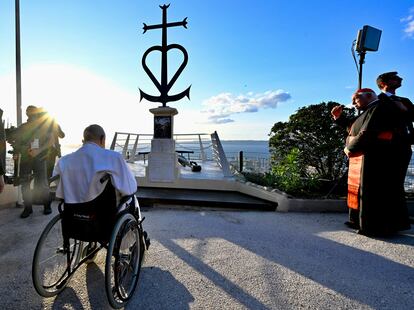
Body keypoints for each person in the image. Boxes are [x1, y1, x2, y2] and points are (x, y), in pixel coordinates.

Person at [333, 88, 411, 236]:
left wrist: (349, 148)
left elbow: (367, 133)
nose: (353, 104)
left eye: (355, 100)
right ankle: (360, 221)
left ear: (368, 96)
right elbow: (353, 129)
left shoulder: (380, 107)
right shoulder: (370, 109)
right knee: (364, 190)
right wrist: (339, 118)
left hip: (378, 157)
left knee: (374, 192)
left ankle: (376, 227)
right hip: (368, 156)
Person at [53, 124, 137, 204]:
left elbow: (57, 181)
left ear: (84, 140)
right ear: (102, 139)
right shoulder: (114, 157)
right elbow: (130, 188)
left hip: (72, 211)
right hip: (103, 212)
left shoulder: (64, 161)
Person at [13, 106, 52, 218]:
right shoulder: (23, 127)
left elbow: (50, 141)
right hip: (25, 159)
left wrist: (38, 150)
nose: (31, 115)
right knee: (25, 184)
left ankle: (47, 205)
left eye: (33, 112)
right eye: (29, 112)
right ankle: (28, 208)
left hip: (40, 158)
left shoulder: (44, 126)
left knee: (42, 184)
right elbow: (16, 141)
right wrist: (16, 152)